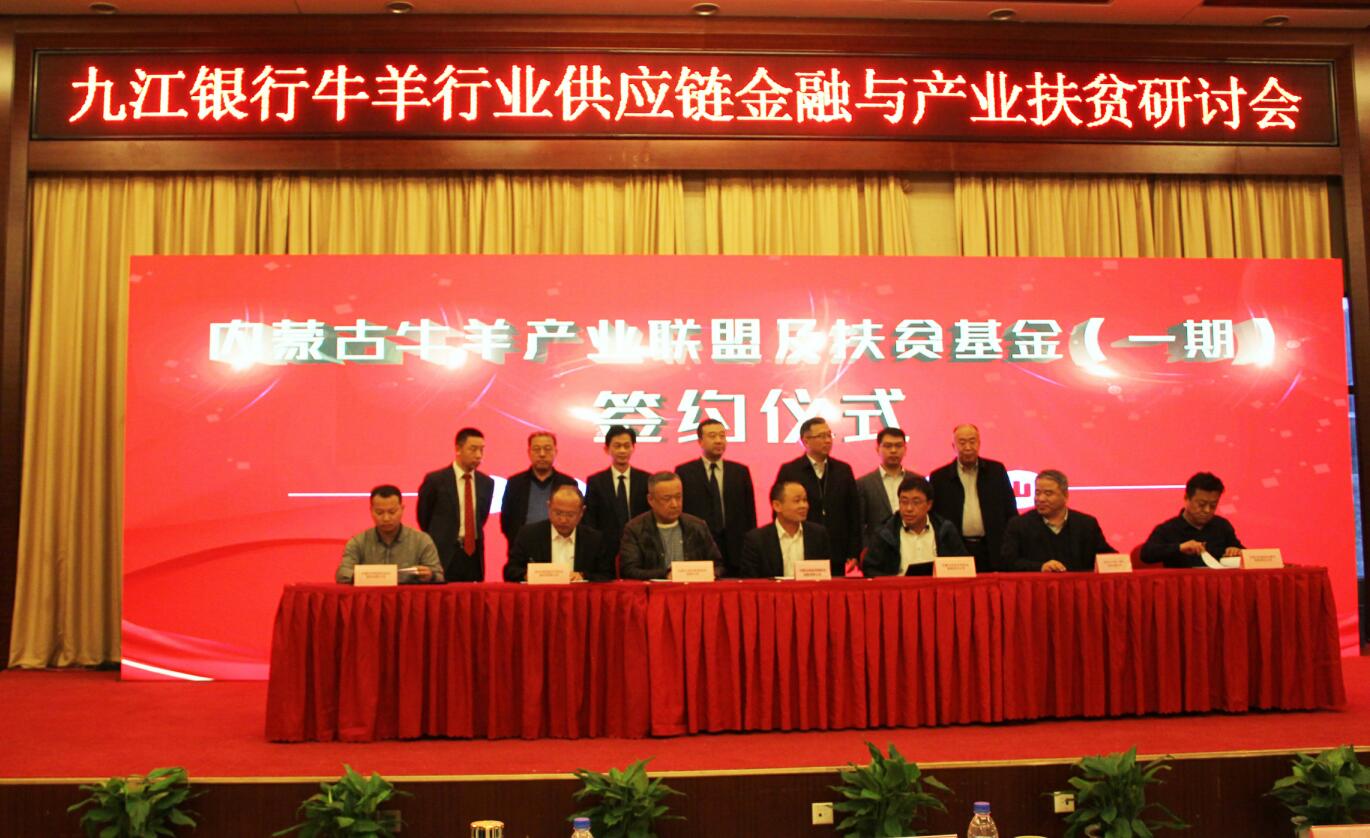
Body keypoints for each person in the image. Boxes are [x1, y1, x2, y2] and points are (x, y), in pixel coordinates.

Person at [772, 417, 862, 577]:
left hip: (837, 548)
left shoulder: (843, 470)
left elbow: (854, 512)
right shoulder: (791, 470)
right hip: (802, 546)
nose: (827, 440)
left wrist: (854, 551)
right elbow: (779, 512)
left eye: (829, 435)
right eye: (821, 436)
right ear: (805, 440)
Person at [929, 423, 1019, 573]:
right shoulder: (939, 478)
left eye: (972, 441)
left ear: (979, 443)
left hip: (991, 549)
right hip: (955, 550)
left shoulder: (996, 471)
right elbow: (934, 518)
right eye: (962, 442)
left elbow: (1010, 511)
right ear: (953, 446)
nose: (968, 447)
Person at [675, 418, 757, 577]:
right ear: (700, 441)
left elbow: (750, 513)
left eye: (722, 436)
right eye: (712, 436)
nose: (719, 440)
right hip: (699, 548)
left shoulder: (740, 472)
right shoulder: (684, 472)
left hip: (736, 548)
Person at [417, 427, 494, 582]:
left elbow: (481, 517)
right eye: (473, 449)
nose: (478, 455)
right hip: (443, 552)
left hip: (473, 554)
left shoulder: (486, 483)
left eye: (481, 450)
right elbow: (424, 517)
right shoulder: (436, 480)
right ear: (458, 449)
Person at [1001, 470, 1116, 572]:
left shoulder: (1086, 524)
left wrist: (1119, 562)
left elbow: (1106, 557)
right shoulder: (1019, 524)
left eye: (1048, 493)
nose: (1041, 499)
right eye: (1037, 493)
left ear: (1065, 495)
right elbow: (1008, 562)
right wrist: (1040, 567)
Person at [619, 471, 724, 580]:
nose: (675, 504)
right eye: (667, 499)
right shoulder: (635, 529)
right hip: (655, 589)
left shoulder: (697, 526)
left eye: (678, 497)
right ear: (650, 500)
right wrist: (665, 574)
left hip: (693, 588)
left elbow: (717, 565)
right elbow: (629, 570)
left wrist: (712, 573)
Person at [864, 474, 968, 577]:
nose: (909, 508)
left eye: (916, 502)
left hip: (938, 586)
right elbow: (870, 569)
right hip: (899, 586)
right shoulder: (885, 533)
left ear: (929, 505)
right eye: (904, 502)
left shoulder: (945, 530)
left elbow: (964, 566)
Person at [336, 484, 443, 584]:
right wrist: (365, 576)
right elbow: (342, 573)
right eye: (379, 512)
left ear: (402, 509)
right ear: (371, 510)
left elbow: (439, 576)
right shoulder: (358, 542)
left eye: (392, 512)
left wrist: (431, 575)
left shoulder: (421, 540)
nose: (386, 518)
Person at [503, 485, 612, 582]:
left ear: (581, 512)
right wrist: (528, 575)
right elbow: (510, 570)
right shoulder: (529, 535)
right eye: (558, 513)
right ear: (549, 507)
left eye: (570, 515)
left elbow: (607, 575)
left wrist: (582, 576)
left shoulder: (594, 539)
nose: (563, 520)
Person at [1140, 471, 1245, 568]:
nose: (1207, 510)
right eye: (1201, 504)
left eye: (1213, 505)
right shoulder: (1168, 529)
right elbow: (1146, 554)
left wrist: (1237, 551)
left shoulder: (1222, 526)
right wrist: (1180, 547)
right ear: (1187, 498)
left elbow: (1247, 555)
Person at [499, 430, 577, 557]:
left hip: (560, 547)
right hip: (523, 549)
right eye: (536, 449)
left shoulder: (568, 483)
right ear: (529, 452)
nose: (542, 454)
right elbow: (506, 521)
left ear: (555, 452)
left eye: (547, 449)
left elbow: (576, 519)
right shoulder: (515, 483)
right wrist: (520, 541)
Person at [584, 424, 650, 566]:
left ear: (633, 448)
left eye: (627, 446)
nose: (622, 450)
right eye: (617, 446)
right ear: (607, 449)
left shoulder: (645, 479)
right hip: (605, 549)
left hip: (640, 547)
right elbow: (590, 519)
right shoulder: (596, 482)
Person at [738, 480, 831, 578]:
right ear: (777, 506)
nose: (804, 506)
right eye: (797, 501)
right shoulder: (757, 539)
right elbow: (751, 581)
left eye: (805, 500)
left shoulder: (818, 534)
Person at [856, 427, 909, 552]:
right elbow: (859, 523)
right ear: (877, 449)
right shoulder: (863, 483)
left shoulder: (917, 481)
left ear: (905, 449)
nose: (893, 450)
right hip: (876, 550)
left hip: (912, 546)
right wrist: (865, 548)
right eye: (888, 446)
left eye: (898, 446)